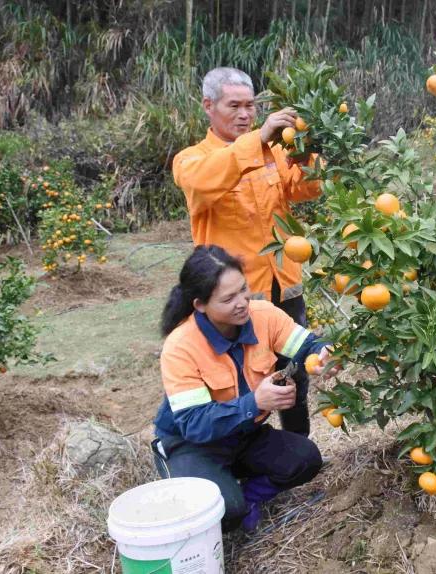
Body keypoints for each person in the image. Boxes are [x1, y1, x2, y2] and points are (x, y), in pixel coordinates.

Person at [172, 66, 322, 436]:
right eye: (234, 106)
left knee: (295, 371)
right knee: (237, 380)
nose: (244, 114)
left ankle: (295, 447)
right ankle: (241, 453)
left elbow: (307, 190)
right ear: (208, 106)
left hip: (283, 284)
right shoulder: (192, 160)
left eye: (250, 106)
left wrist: (305, 152)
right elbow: (206, 182)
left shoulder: (272, 153)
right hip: (234, 297)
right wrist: (258, 139)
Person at [151, 245, 338, 532]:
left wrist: (323, 351)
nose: (242, 302)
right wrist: (255, 402)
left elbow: (306, 345)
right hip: (195, 445)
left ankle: (249, 496)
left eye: (243, 289)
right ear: (200, 304)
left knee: (306, 460)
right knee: (221, 512)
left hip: (244, 436)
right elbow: (193, 424)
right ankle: (211, 487)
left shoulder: (263, 315)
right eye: (228, 298)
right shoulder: (181, 346)